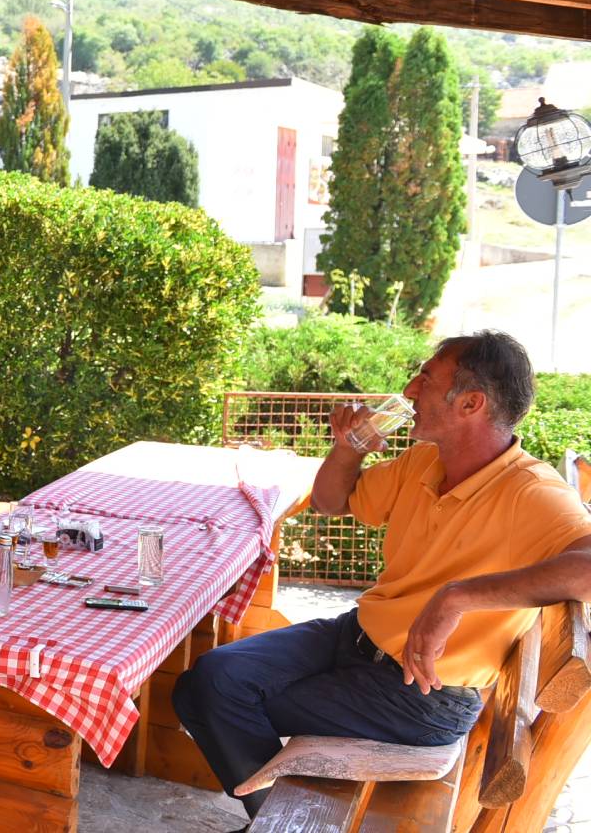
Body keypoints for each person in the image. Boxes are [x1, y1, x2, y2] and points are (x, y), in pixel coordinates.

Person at [173, 330, 591, 827]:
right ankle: (281, 821)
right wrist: (350, 447)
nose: (410, 390)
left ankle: (285, 823)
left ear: (471, 403)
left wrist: (456, 598)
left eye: (426, 379)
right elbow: (330, 501)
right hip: (356, 637)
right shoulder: (425, 460)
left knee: (216, 696)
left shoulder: (531, 491)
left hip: (422, 696)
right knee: (206, 681)